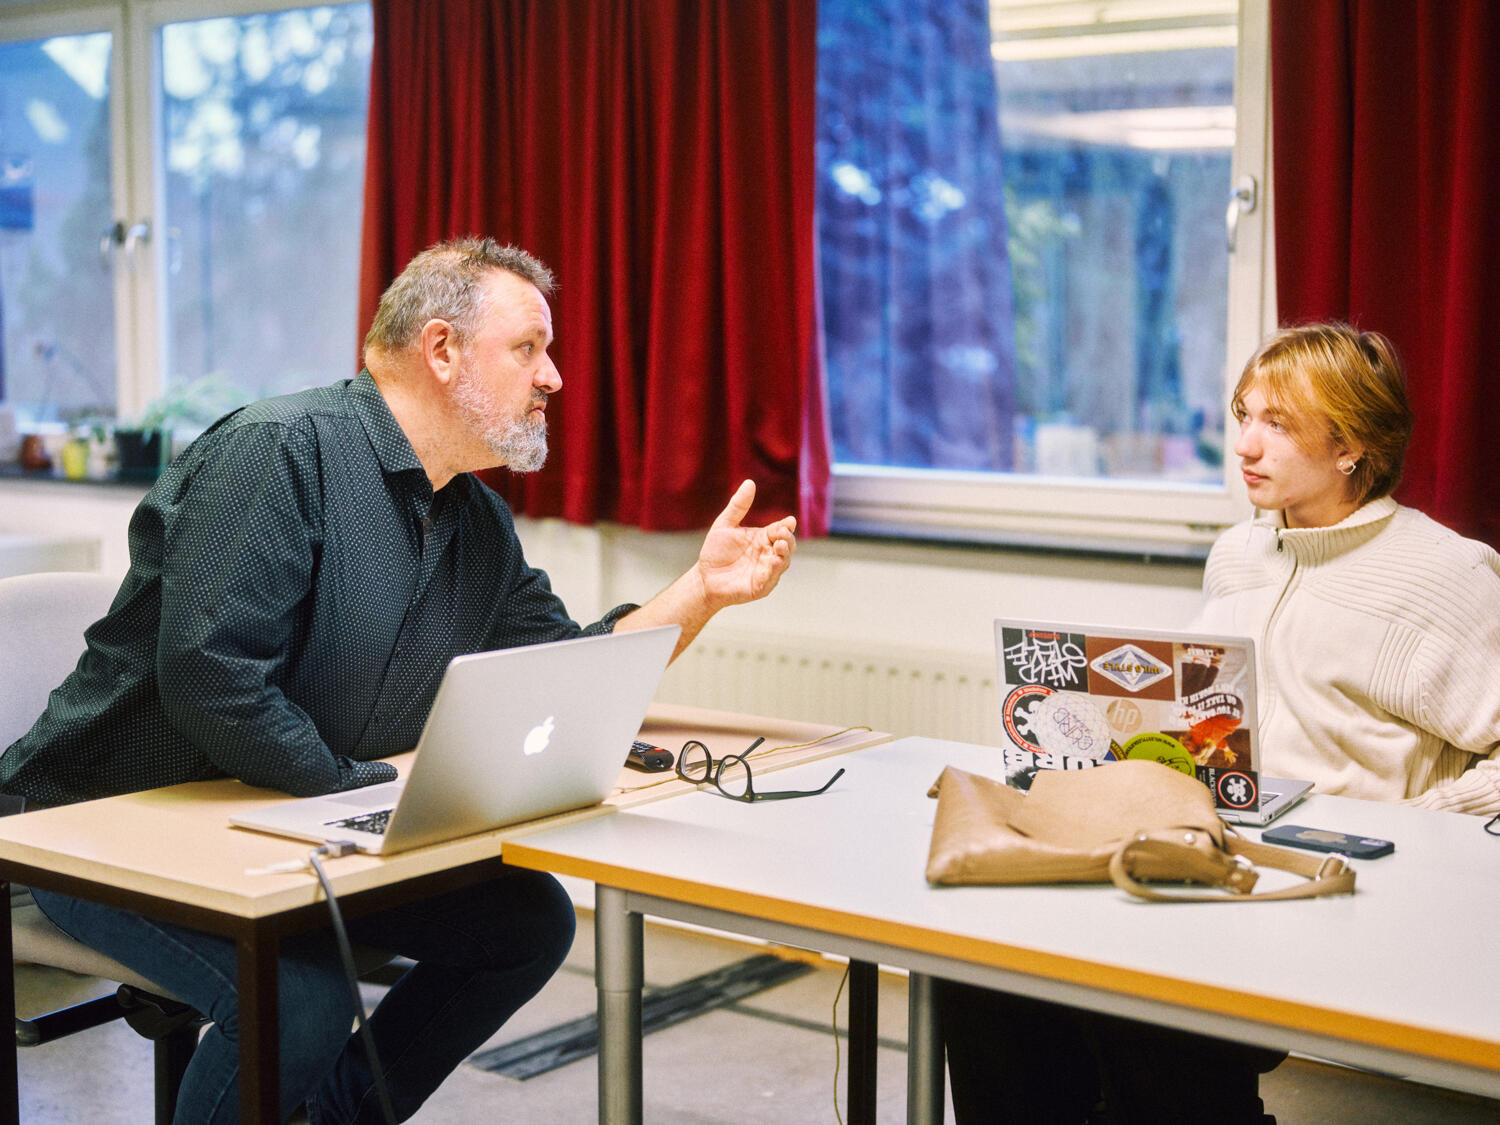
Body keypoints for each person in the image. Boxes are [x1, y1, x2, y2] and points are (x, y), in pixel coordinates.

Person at [0, 237, 797, 1124]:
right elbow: (210, 673)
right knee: (295, 1000)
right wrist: (362, 788)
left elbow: (568, 665)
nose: (555, 378)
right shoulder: (280, 452)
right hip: (90, 836)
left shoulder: (470, 515)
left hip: (281, 827)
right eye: (529, 348)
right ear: (443, 349)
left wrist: (702, 592)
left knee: (525, 923)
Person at [935, 322, 1500, 1124]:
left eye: (1278, 423)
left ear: (1352, 446)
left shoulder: (1445, 575)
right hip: (1219, 852)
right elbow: (1211, 728)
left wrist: (1412, 822)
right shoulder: (1239, 554)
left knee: (1147, 999)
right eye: (1243, 414)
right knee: (987, 968)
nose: (1244, 443)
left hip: (1336, 885)